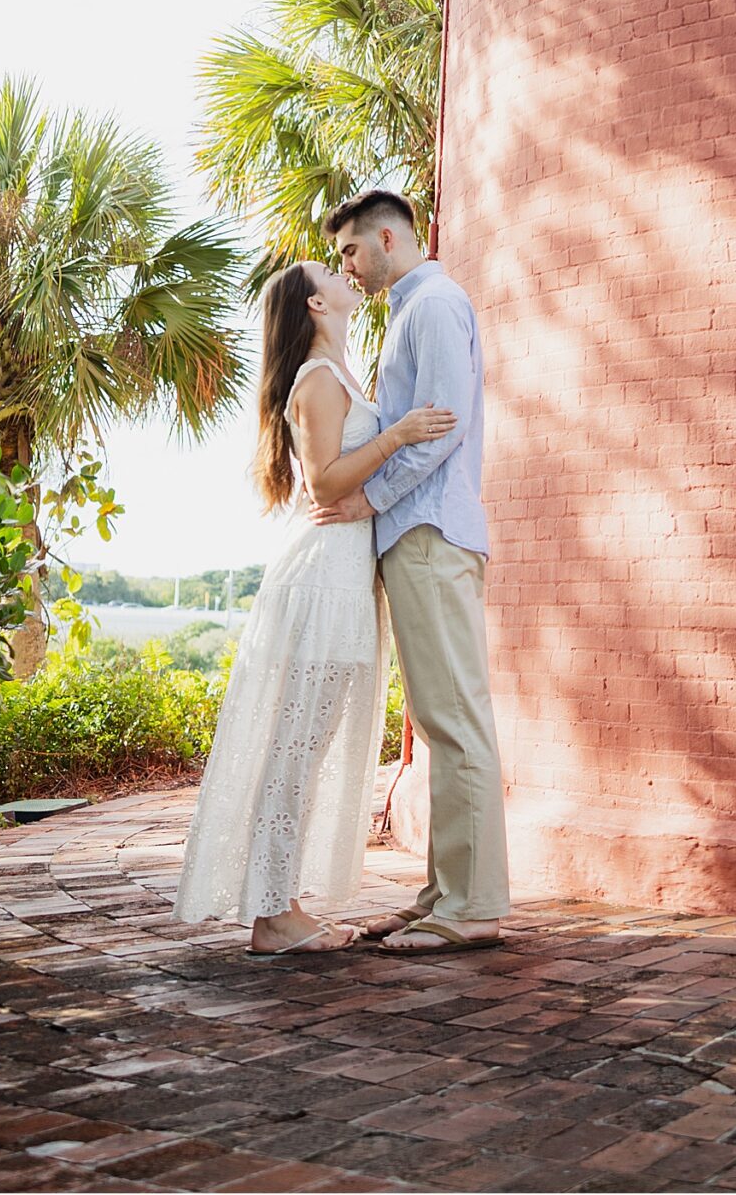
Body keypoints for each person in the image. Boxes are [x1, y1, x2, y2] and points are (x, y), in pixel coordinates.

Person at [173, 258, 456, 955]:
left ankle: (281, 905)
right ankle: (274, 918)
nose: (341, 273)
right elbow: (326, 485)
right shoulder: (319, 381)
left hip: (343, 578)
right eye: (327, 273)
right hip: (321, 580)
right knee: (294, 750)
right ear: (316, 307)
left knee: (304, 747)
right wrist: (398, 435)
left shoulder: (338, 375)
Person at [315, 189, 510, 953]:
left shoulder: (431, 306)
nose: (348, 270)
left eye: (351, 253)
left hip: (429, 532)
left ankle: (471, 909)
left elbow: (441, 431)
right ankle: (444, 896)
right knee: (442, 718)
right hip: (420, 537)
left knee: (456, 720)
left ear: (388, 240)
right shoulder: (414, 307)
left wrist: (370, 496)